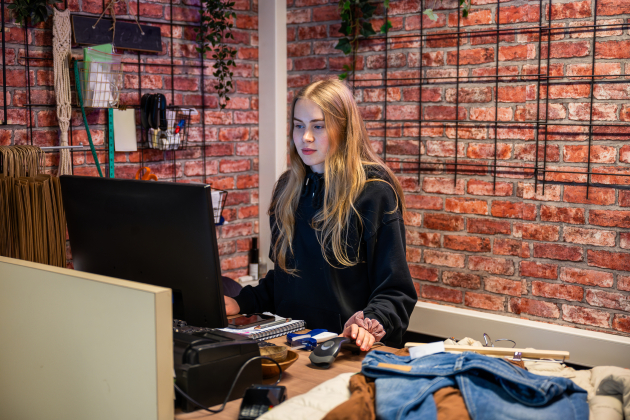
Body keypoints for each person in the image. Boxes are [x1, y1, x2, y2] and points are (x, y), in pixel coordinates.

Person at [224, 79, 417, 349]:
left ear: (344, 129)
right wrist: (241, 302)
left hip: (348, 351)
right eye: (299, 125)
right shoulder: (286, 189)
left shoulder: (374, 192)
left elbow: (395, 291)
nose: (306, 137)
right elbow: (283, 282)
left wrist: (368, 324)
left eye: (318, 126)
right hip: (292, 345)